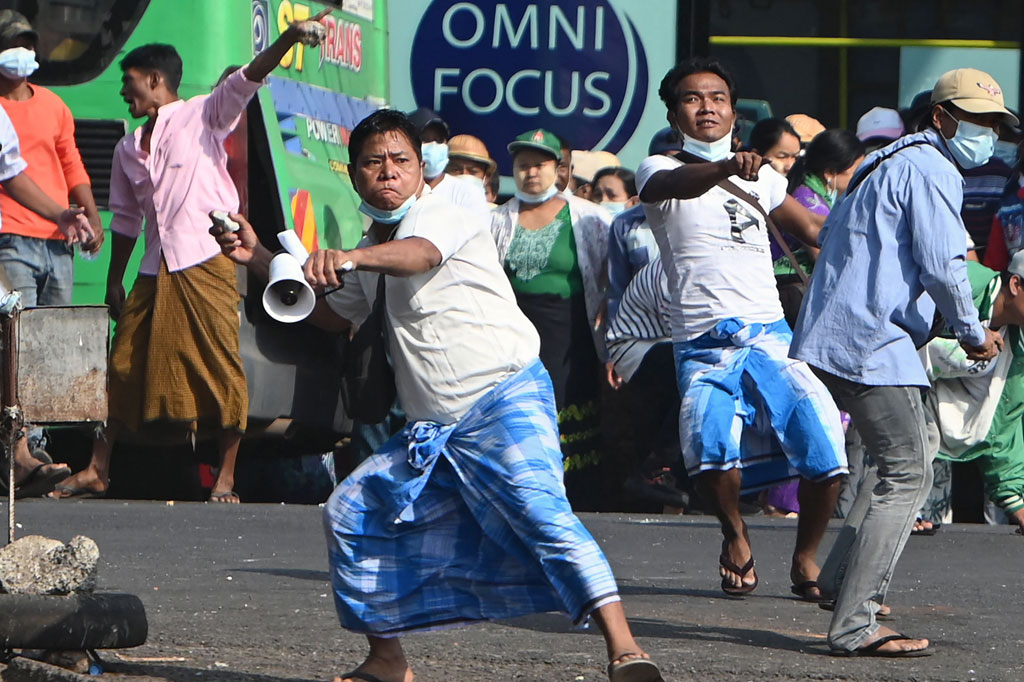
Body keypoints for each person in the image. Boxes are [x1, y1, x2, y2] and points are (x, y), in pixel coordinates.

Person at [212, 109, 665, 682]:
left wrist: (348, 258)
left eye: (400, 160)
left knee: (543, 513)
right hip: (433, 432)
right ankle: (386, 659)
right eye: (373, 162)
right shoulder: (369, 245)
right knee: (351, 513)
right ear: (353, 176)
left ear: (421, 170)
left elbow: (421, 254)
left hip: (504, 397)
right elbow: (330, 315)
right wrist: (255, 258)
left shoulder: (455, 205)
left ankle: (625, 650)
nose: (388, 172)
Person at [50, 10, 334, 502]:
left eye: (130, 83)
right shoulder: (125, 149)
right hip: (153, 268)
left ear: (156, 81)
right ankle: (99, 468)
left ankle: (226, 477)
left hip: (207, 261)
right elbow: (125, 221)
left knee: (220, 365)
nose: (124, 94)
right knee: (121, 365)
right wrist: (115, 279)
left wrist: (288, 35)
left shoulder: (203, 114)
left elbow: (250, 76)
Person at [790, 67, 1012, 657]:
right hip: (870, 343)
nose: (987, 134)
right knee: (908, 472)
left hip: (850, 338)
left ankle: (841, 585)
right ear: (940, 117)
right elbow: (945, 265)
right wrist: (972, 333)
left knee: (911, 454)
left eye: (994, 124)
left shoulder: (885, 163)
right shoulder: (931, 168)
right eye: (978, 120)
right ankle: (855, 623)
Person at [637, 56, 847, 601]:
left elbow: (816, 233)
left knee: (828, 454)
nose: (706, 106)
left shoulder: (768, 177)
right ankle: (736, 533)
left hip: (771, 336)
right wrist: (728, 168)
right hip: (702, 345)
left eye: (717, 98)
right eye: (692, 98)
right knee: (710, 455)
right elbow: (676, 187)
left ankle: (805, 558)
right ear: (673, 110)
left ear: (733, 109)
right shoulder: (655, 167)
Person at [491, 130, 612, 508]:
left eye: (539, 165)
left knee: (566, 409)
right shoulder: (496, 220)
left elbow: (612, 277)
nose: (530, 173)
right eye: (522, 165)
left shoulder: (590, 218)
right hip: (513, 333)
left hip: (568, 332)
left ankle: (575, 498)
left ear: (557, 169)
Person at [0, 10, 103, 305]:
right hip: (11, 239)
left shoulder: (53, 106)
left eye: (27, 46)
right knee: (19, 336)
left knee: (56, 336)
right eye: (11, 46)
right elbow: (10, 175)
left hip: (59, 241)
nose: (21, 53)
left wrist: (91, 214)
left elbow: (71, 163)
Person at [917, 258, 1024, 534]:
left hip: (929, 423)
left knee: (927, 537)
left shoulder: (1015, 344)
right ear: (1015, 284)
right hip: (876, 383)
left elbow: (1001, 421)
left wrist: (1017, 505)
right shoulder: (965, 281)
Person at [405, 107, 488, 218]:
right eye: (424, 139)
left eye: (439, 140)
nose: (433, 146)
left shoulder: (468, 194)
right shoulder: (397, 192)